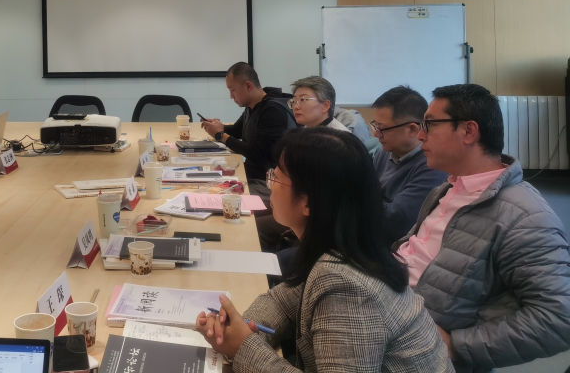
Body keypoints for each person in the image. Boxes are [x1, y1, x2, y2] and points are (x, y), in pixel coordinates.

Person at [195, 127, 451, 372]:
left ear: (307, 202)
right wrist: (244, 329)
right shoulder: (340, 245)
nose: (269, 184)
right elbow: (280, 301)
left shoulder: (346, 285)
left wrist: (243, 347)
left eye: (276, 177)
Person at [396, 84, 570, 372]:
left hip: (418, 347)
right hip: (392, 308)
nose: (421, 135)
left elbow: (559, 319)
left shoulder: (526, 217)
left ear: (468, 131)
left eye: (430, 124)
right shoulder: (447, 188)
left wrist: (455, 346)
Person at [200, 62, 296, 194]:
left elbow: (254, 152)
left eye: (232, 90)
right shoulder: (254, 105)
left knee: (216, 193)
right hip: (252, 174)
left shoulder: (272, 111)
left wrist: (219, 135)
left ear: (248, 86)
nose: (231, 96)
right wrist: (219, 127)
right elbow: (237, 131)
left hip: (267, 182)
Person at [370, 86, 447, 244]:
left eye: (382, 128)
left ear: (412, 129)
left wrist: (365, 201)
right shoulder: (385, 151)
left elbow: (394, 221)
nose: (376, 134)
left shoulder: (432, 165)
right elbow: (363, 191)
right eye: (375, 125)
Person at [287, 76, 352, 132]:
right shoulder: (305, 131)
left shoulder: (339, 138)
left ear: (325, 106)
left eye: (303, 100)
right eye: (294, 101)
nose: (295, 107)